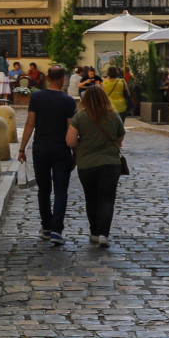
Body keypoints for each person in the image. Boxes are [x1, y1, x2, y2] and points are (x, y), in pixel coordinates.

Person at [16, 64, 77, 246]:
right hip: (61, 150)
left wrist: (22, 148)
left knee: (44, 189)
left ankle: (45, 227)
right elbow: (70, 128)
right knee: (61, 191)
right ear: (62, 79)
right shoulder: (68, 101)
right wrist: (76, 153)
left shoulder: (36, 97)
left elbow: (30, 124)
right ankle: (57, 230)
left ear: (48, 78)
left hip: (40, 148)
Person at [66, 84, 125, 247]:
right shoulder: (113, 115)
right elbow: (121, 137)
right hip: (110, 164)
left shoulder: (80, 116)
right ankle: (103, 234)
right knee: (107, 200)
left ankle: (93, 232)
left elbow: (70, 140)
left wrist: (83, 144)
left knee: (91, 199)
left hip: (87, 164)